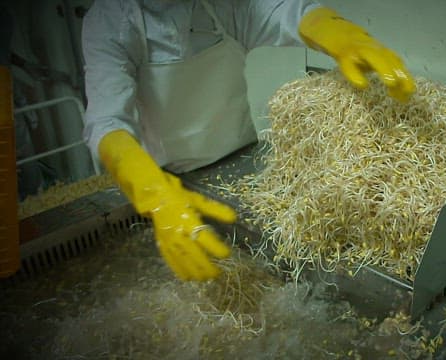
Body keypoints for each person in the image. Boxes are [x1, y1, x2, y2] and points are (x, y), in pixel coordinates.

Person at [82, 0, 415, 281]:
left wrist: (337, 32)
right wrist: (148, 189)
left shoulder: (221, 6)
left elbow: (287, 10)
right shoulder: (111, 21)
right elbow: (106, 121)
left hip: (242, 166)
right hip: (170, 184)